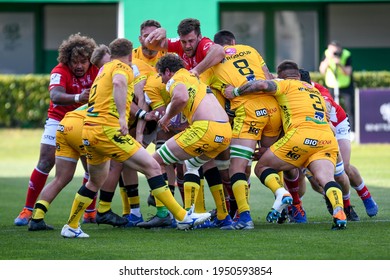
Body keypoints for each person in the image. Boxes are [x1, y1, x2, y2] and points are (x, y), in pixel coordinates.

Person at [60, 38, 210, 238]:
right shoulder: (123, 67)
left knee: (94, 182)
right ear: (130, 54)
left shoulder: (103, 69)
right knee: (154, 167)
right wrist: (122, 117)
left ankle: (71, 226)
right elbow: (119, 82)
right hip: (107, 130)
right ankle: (182, 217)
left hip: (90, 130)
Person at [226, 60, 347, 230]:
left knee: (261, 167)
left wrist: (236, 91)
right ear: (298, 75)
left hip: (300, 135)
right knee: (327, 179)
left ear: (281, 77)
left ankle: (281, 193)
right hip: (326, 139)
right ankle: (339, 210)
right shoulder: (314, 89)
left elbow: (261, 83)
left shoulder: (285, 84)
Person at [201, 30, 283, 230]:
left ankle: (244, 217)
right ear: (234, 42)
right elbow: (268, 77)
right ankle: (282, 198)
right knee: (266, 161)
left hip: (248, 111)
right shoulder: (250, 50)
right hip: (273, 110)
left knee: (236, 167)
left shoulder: (211, 64)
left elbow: (199, 92)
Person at [14, 33, 99, 226]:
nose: (79, 66)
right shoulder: (59, 70)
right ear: (66, 60)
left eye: (83, 61)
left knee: (92, 167)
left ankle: (90, 213)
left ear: (90, 60)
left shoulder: (97, 69)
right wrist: (79, 97)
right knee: (45, 162)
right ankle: (27, 210)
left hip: (86, 121)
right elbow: (55, 95)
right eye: (74, 61)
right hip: (58, 119)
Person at [150, 53, 232, 230]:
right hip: (224, 131)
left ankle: (166, 214)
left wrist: (165, 118)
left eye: (161, 76)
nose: (162, 81)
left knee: (154, 163)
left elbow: (181, 98)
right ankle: (222, 217)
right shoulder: (195, 78)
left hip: (205, 129)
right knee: (192, 164)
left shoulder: (175, 79)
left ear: (167, 71)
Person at [28, 105, 128, 231]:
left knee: (60, 178)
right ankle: (99, 212)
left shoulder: (99, 93)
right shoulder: (121, 95)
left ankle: (37, 218)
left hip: (64, 125)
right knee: (98, 176)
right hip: (83, 126)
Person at [299, 69, 378, 219]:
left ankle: (364, 196)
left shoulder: (318, 89)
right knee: (315, 177)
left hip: (336, 124)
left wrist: (325, 120)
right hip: (313, 130)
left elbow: (327, 107)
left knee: (344, 168)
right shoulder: (289, 89)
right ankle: (331, 197)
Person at [319, 40, 355, 131]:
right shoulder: (326, 54)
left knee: (349, 108)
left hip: (345, 85)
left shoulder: (346, 55)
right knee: (329, 108)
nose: (334, 53)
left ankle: (351, 131)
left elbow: (347, 72)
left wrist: (339, 64)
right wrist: (328, 59)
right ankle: (331, 129)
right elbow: (322, 70)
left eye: (336, 51)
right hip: (331, 85)